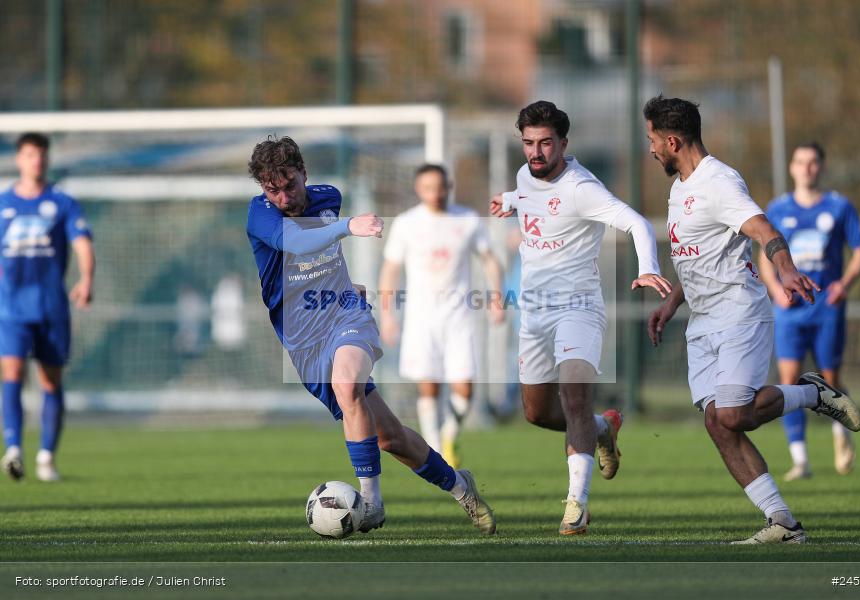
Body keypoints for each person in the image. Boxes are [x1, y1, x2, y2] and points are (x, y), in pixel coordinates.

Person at [245, 136, 495, 535]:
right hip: (304, 343)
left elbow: (322, 258)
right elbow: (295, 241)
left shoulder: (328, 196)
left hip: (346, 316)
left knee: (347, 384)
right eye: (271, 189)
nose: (282, 197)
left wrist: (345, 286)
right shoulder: (260, 214)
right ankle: (462, 486)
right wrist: (348, 227)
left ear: (304, 173)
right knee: (390, 438)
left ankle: (372, 502)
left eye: (289, 184)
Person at [643, 95, 860, 544]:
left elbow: (764, 229)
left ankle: (811, 393)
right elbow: (697, 259)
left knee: (734, 413)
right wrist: (672, 304)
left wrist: (785, 267)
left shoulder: (719, 182)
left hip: (739, 312)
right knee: (716, 423)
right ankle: (782, 522)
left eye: (652, 140)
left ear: (672, 140)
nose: (650, 149)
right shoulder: (680, 187)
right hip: (702, 321)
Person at [489, 101, 672, 535]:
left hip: (578, 309)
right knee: (536, 413)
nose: (536, 152)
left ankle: (576, 504)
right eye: (528, 143)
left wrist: (648, 267)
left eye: (545, 143)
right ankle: (602, 428)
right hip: (533, 314)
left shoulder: (582, 187)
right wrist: (511, 200)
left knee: (573, 398)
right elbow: (536, 199)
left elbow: (636, 222)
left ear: (563, 144)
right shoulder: (524, 175)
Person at [379, 164, 504, 469]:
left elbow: (490, 260)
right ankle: (435, 449)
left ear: (449, 186)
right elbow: (391, 269)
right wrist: (387, 315)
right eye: (427, 188)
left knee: (465, 388)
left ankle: (449, 433)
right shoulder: (407, 224)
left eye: (440, 187)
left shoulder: (467, 219)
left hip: (459, 316)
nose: (435, 193)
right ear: (418, 190)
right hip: (421, 319)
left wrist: (497, 297)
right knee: (428, 386)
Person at [759, 142, 860, 481]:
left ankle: (841, 432)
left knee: (830, 379)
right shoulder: (777, 209)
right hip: (791, 310)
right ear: (792, 167)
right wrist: (776, 289)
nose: (806, 168)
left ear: (821, 167)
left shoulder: (838, 207)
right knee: (789, 381)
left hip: (825, 307)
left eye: (813, 162)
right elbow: (765, 255)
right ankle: (800, 460)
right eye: (800, 161)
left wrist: (844, 284)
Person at [0, 132, 95, 482]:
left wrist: (86, 279)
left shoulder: (63, 203)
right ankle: (12, 449)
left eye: (40, 155)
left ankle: (45, 457)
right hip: (10, 308)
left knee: (50, 381)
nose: (35, 161)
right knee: (10, 373)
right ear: (18, 159)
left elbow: (82, 242)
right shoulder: (3, 203)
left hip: (52, 308)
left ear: (47, 159)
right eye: (29, 155)